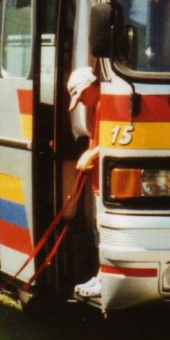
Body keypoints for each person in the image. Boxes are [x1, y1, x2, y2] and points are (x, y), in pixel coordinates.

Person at [66, 67, 102, 300]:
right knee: (98, 230)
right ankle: (100, 276)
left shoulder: (107, 104)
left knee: (102, 231)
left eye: (81, 96)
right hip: (97, 182)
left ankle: (102, 277)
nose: (82, 103)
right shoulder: (98, 107)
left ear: (90, 87)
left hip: (103, 183)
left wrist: (92, 154)